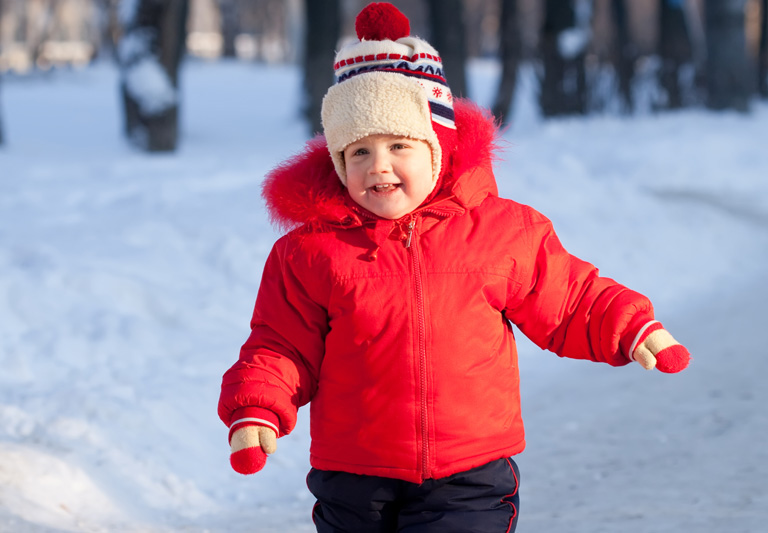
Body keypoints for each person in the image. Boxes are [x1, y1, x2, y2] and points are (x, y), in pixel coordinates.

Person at [218, 3, 691, 531]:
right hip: (354, 477)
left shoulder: (501, 232)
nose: (379, 165)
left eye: (399, 145)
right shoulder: (311, 252)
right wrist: (257, 405)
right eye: (358, 152)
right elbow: (281, 344)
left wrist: (627, 325)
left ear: (439, 149)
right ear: (337, 162)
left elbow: (568, 298)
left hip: (469, 474)